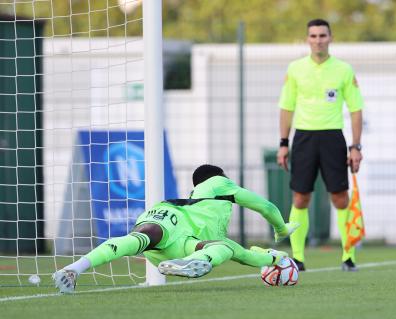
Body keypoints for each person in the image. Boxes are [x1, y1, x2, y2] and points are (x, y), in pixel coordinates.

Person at [53, 164, 298, 293]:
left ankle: (74, 269)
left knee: (137, 239)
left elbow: (247, 256)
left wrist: (272, 257)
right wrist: (281, 230)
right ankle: (192, 261)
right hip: (181, 232)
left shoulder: (200, 205)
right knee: (227, 248)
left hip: (173, 234)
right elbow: (264, 205)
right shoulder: (217, 182)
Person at [276, 18, 364, 272]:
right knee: (300, 197)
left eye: (322, 36)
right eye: (313, 36)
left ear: (330, 38)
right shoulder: (295, 69)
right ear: (307, 40)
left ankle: (349, 256)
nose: (318, 40)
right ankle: (298, 257)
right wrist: (283, 143)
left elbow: (356, 109)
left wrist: (356, 146)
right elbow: (286, 107)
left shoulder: (344, 70)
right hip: (303, 138)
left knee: (339, 198)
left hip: (332, 138)